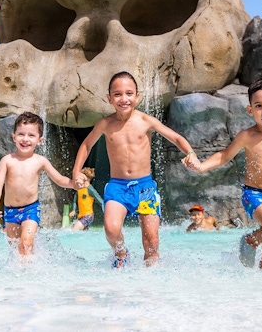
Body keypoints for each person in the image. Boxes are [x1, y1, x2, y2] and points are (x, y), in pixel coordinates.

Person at [73, 71, 200, 268]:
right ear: (109, 98)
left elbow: (175, 138)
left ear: (137, 96)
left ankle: (149, 280)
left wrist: (190, 152)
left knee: (151, 242)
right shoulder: (105, 124)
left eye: (129, 93)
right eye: (118, 94)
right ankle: (122, 253)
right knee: (111, 229)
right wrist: (76, 172)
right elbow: (86, 145)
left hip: (145, 188)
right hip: (117, 187)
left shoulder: (145, 121)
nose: (124, 99)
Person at [187, 79, 262, 269]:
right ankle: (251, 240)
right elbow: (224, 155)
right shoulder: (247, 135)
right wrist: (202, 166)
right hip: (254, 194)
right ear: (250, 110)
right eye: (259, 106)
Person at [0, 112, 77, 256]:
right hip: (10, 212)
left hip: (30, 210)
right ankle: (26, 268)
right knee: (15, 249)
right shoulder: (7, 160)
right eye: (21, 134)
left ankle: (29, 274)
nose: (25, 139)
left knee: (25, 243)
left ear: (40, 140)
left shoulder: (40, 161)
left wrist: (74, 184)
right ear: (14, 137)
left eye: (31, 135)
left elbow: (59, 179)